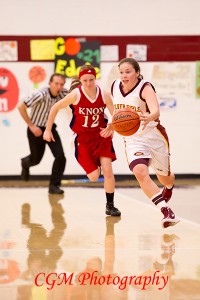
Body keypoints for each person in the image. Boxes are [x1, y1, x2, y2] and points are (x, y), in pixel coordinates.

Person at [101, 58, 180, 228]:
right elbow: (114, 110)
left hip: (154, 136)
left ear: (137, 73)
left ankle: (170, 185)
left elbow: (156, 110)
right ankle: (166, 211)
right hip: (133, 139)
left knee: (165, 178)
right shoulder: (115, 86)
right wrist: (113, 123)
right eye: (121, 72)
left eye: (128, 72)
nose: (124, 75)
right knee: (140, 171)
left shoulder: (145, 87)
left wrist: (149, 116)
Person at [43, 65, 121, 217]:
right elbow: (54, 108)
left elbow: (116, 115)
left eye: (92, 80)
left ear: (95, 79)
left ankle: (110, 205)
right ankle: (95, 163)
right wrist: (47, 129)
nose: (89, 83)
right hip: (83, 140)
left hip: (101, 136)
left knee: (108, 172)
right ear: (80, 80)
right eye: (85, 80)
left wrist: (113, 126)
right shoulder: (75, 95)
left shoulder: (104, 94)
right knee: (93, 176)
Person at [18, 73, 68, 194]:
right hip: (36, 130)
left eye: (61, 84)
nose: (58, 87)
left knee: (60, 157)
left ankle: (54, 186)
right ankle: (25, 163)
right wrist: (31, 126)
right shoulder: (40, 94)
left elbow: (76, 93)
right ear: (50, 83)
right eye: (56, 83)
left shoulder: (62, 94)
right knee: (36, 160)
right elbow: (21, 107)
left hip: (50, 129)